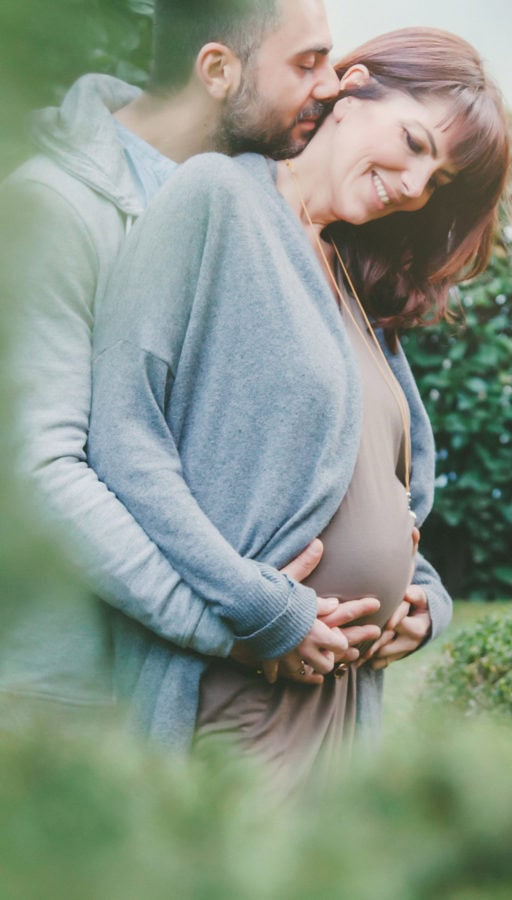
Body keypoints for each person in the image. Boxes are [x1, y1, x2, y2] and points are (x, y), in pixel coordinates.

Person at [87, 27, 511, 785]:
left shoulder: (347, 270)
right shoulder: (216, 198)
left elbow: (372, 487)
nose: (415, 188)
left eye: (439, 180)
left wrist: (424, 603)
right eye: (414, 143)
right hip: (244, 695)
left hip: (347, 705)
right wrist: (264, 606)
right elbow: (124, 439)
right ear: (352, 87)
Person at [0, 1, 443, 725]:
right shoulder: (56, 209)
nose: (332, 87)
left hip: (211, 701)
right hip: (71, 696)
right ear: (217, 70)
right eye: (306, 64)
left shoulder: (272, 215)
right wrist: (234, 629)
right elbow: (45, 470)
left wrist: (421, 588)